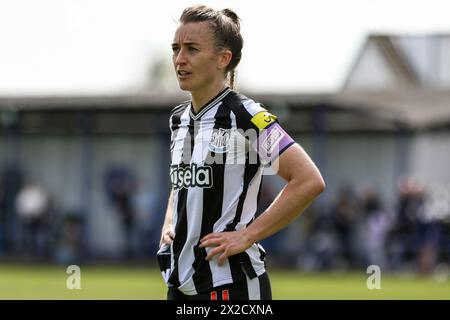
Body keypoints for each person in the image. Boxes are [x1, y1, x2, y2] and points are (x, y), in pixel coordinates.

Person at [158, 5, 325, 300]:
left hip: (231, 285)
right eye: (175, 48)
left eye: (192, 49)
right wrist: (169, 222)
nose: (180, 59)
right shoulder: (179, 120)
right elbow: (180, 182)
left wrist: (247, 235)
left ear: (224, 58)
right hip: (180, 286)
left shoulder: (246, 116)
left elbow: (308, 180)